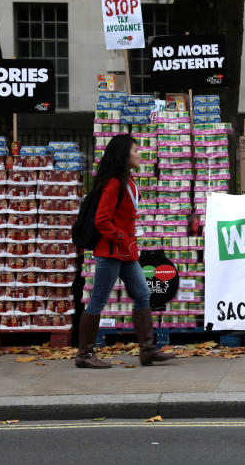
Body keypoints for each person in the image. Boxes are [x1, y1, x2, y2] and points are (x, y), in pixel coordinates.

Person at [76, 134, 174, 369]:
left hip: (127, 252)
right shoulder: (113, 183)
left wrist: (126, 241)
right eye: (135, 150)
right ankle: (85, 354)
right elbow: (102, 220)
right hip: (111, 252)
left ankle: (147, 350)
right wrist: (120, 238)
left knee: (143, 295)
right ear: (124, 155)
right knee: (97, 301)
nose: (140, 154)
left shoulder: (127, 181)